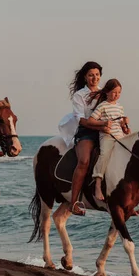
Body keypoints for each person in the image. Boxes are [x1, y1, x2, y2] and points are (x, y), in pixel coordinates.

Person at [57, 61, 111, 216]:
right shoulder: (79, 95)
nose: (94, 78)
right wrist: (101, 125)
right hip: (86, 132)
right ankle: (73, 203)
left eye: (97, 75)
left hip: (104, 130)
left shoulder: (104, 93)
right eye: (91, 75)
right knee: (84, 161)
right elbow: (81, 120)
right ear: (85, 77)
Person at [87, 79, 139, 211]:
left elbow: (124, 128)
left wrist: (125, 124)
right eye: (114, 92)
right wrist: (103, 124)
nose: (116, 95)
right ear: (107, 92)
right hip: (108, 136)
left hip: (120, 137)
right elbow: (91, 120)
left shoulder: (120, 107)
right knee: (104, 155)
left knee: (134, 157)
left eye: (119, 92)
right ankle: (98, 185)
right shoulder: (102, 106)